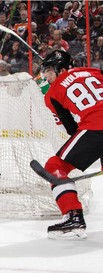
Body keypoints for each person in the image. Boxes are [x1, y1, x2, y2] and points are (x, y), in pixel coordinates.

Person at [41, 50, 103, 239]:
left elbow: (70, 128)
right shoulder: (94, 71)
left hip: (96, 126)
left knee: (54, 166)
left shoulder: (52, 92)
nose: (46, 76)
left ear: (62, 70)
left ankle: (73, 216)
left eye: (50, 71)